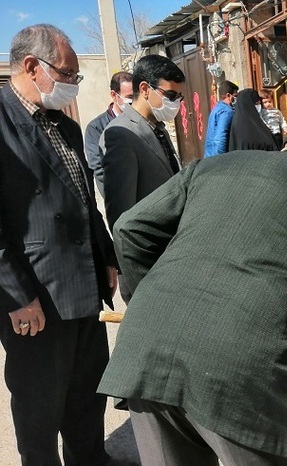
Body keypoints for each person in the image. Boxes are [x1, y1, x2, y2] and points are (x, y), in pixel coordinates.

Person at [98, 116, 287, 465]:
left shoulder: (212, 166)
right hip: (239, 374)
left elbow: (129, 228)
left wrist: (151, 299)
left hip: (145, 351)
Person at [0, 24, 118, 464]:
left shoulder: (63, 125)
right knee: (39, 405)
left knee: (87, 393)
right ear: (33, 66)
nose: (73, 83)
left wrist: (105, 257)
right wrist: (17, 296)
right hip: (37, 295)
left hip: (83, 285)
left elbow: (85, 200)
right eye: (67, 73)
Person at [100, 54, 184, 302]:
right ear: (145, 89)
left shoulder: (157, 128)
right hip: (148, 266)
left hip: (170, 255)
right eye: (171, 95)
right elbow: (121, 216)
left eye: (179, 97)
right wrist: (138, 273)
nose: (176, 103)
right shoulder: (122, 133)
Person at [84, 70, 133, 195]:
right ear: (114, 95)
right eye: (129, 97)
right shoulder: (96, 128)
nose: (133, 101)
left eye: (135, 96)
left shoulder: (140, 120)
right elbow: (99, 169)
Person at [204, 80, 238, 157]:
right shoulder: (226, 111)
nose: (236, 99)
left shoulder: (217, 108)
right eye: (235, 96)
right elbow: (220, 137)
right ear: (228, 95)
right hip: (216, 157)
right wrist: (220, 159)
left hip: (210, 154)